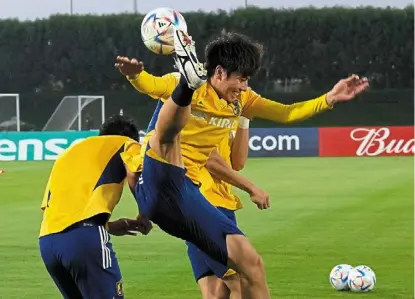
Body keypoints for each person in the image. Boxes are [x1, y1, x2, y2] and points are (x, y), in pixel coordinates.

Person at [116, 30, 369, 299]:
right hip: (166, 174)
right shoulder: (192, 84)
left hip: (187, 193)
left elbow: (286, 112)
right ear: (220, 72)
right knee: (167, 133)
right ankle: (185, 88)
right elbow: (152, 85)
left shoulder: (242, 101)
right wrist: (135, 75)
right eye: (242, 78)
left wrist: (328, 99)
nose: (245, 87)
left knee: (245, 270)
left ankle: (184, 91)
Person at [38, 115, 152, 299]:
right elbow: (134, 173)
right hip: (84, 239)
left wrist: (109, 226)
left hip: (48, 242)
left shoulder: (68, 152)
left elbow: (60, 209)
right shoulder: (126, 143)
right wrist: (144, 214)